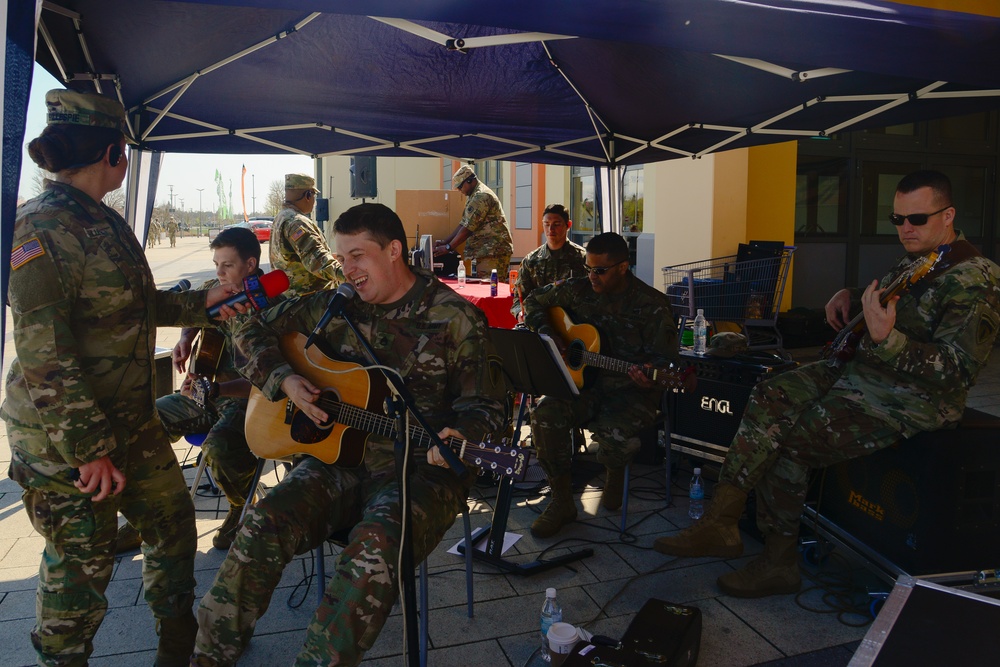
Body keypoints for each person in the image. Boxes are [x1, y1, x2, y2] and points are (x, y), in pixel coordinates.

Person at [653, 170, 1000, 598]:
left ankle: (778, 563)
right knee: (768, 391)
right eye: (897, 220)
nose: (905, 229)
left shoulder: (975, 280)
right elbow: (897, 297)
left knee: (789, 444)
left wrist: (887, 340)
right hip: (862, 371)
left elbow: (958, 369)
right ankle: (721, 523)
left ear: (947, 216)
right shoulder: (923, 257)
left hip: (911, 399)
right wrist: (850, 295)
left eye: (917, 219)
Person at [192, 202, 507, 667]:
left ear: (394, 250)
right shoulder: (335, 304)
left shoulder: (454, 318)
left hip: (421, 469)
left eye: (357, 255)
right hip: (338, 458)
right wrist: (286, 381)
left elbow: (488, 406)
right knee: (263, 520)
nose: (347, 269)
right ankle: (209, 654)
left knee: (373, 545)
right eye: (341, 258)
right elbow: (247, 325)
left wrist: (464, 433)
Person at [2, 90, 244, 667]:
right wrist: (88, 451)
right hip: (67, 440)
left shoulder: (103, 221)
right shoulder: (41, 228)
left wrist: (203, 303)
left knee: (172, 521)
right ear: (115, 152)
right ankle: (65, 658)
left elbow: (135, 303)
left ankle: (176, 645)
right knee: (82, 563)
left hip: (128, 421)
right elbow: (43, 353)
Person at [117, 226, 272, 554]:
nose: (219, 273)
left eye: (227, 265)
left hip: (245, 401)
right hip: (205, 393)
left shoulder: (271, 305)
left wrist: (217, 388)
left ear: (251, 264)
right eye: (216, 264)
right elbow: (193, 309)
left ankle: (241, 505)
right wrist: (186, 340)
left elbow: (269, 379)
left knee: (218, 447)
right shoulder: (215, 288)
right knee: (142, 424)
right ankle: (145, 517)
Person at [522, 232, 678, 538]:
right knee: (544, 415)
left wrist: (650, 377)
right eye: (588, 268)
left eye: (600, 270)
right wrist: (549, 333)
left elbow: (668, 364)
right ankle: (562, 501)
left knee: (615, 437)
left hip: (630, 392)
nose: (591, 276)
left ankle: (615, 471)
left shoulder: (652, 305)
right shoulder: (579, 288)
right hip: (584, 385)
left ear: (623, 267)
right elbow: (532, 302)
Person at [269, 172, 342, 298]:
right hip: (309, 302)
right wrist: (349, 275)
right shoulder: (297, 222)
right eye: (314, 195)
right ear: (308, 195)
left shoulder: (281, 217)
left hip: (290, 299)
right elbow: (318, 261)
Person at [512, 203, 587, 321]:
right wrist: (520, 314)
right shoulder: (531, 260)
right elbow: (519, 298)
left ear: (568, 225)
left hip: (574, 326)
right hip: (540, 324)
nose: (550, 229)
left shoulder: (582, 258)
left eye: (556, 224)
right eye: (546, 224)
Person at [434, 165, 513, 277]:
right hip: (488, 251)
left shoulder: (480, 196)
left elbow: (468, 229)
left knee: (491, 289)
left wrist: (448, 248)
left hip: (494, 251)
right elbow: (463, 224)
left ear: (470, 180)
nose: (460, 190)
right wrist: (445, 242)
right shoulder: (474, 196)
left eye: (460, 186)